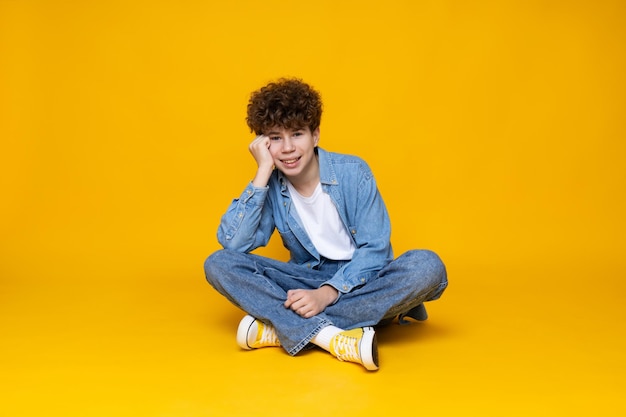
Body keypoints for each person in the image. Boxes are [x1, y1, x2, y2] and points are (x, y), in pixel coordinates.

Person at [204, 78, 447, 371]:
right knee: (218, 263)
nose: (288, 148)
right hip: (304, 281)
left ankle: (285, 329)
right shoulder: (270, 184)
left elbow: (376, 251)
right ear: (263, 144)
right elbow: (233, 244)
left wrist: (327, 294)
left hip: (364, 283)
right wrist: (262, 172)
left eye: (297, 134)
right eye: (276, 138)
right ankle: (332, 337)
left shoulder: (353, 172)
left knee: (427, 265)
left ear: (315, 135)